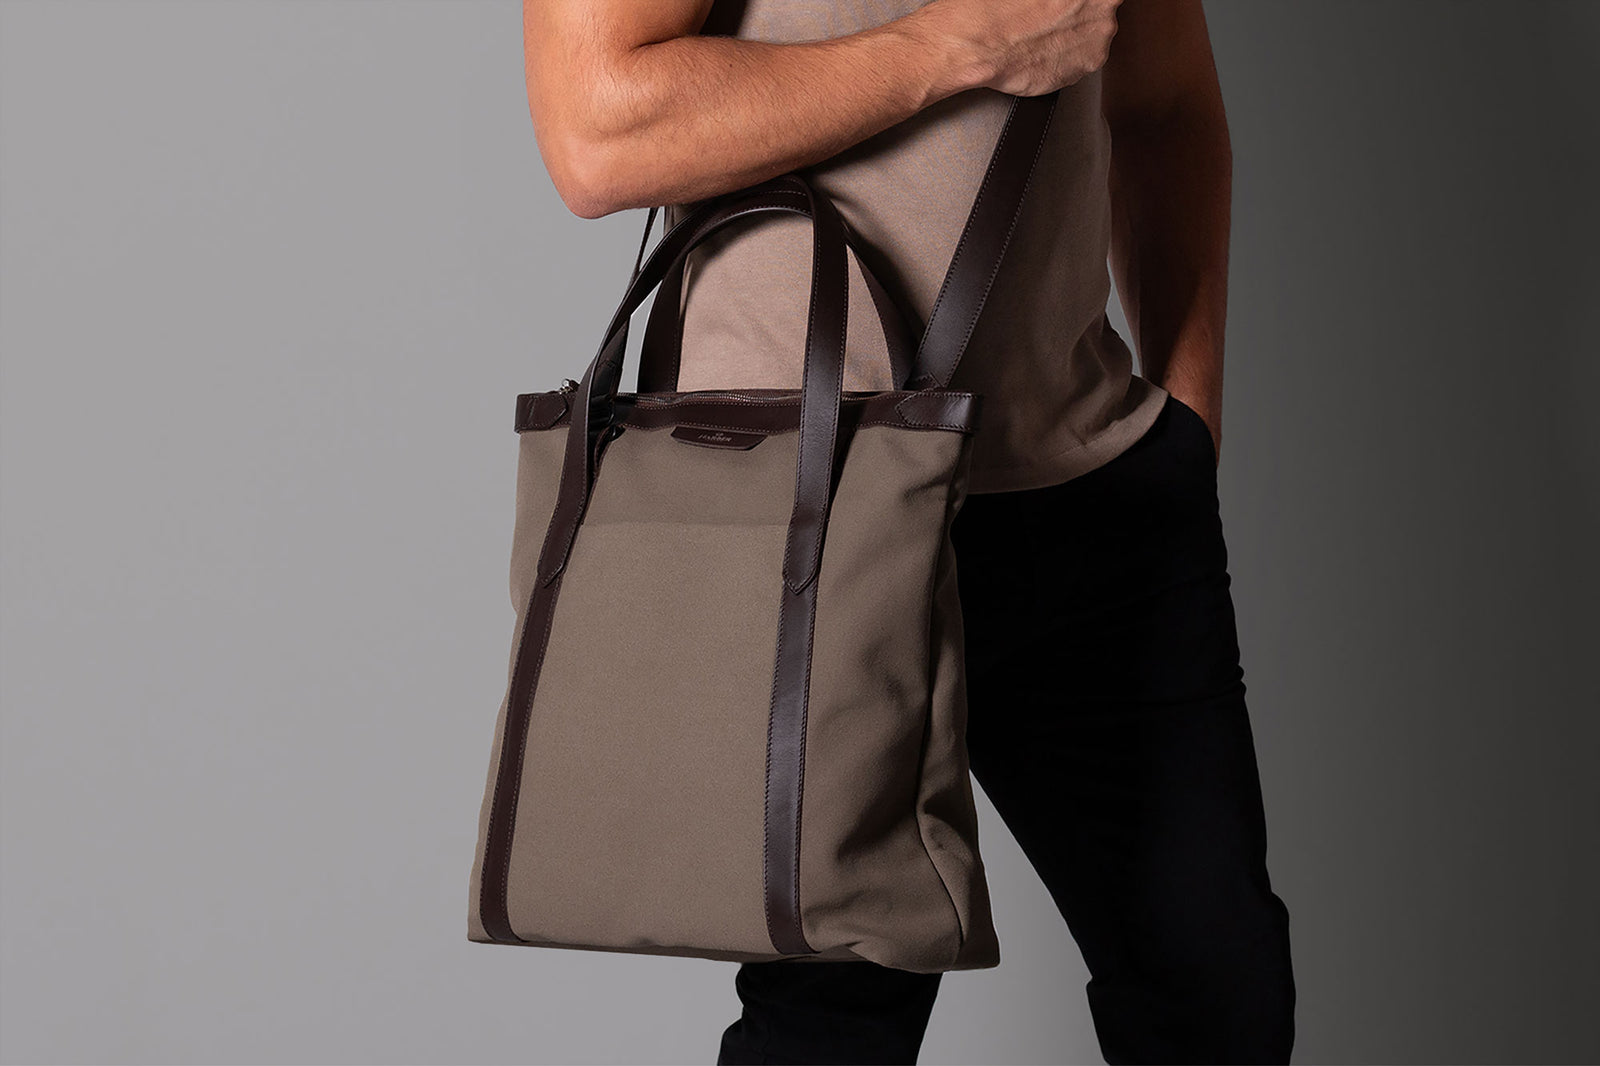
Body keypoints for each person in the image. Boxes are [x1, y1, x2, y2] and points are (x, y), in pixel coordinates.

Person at [521, 0, 1296, 1061]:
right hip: (816, 512)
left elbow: (1163, 108)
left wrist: (1186, 429)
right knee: (833, 1025)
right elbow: (594, 131)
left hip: (1082, 491)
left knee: (1215, 995)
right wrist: (955, 45)